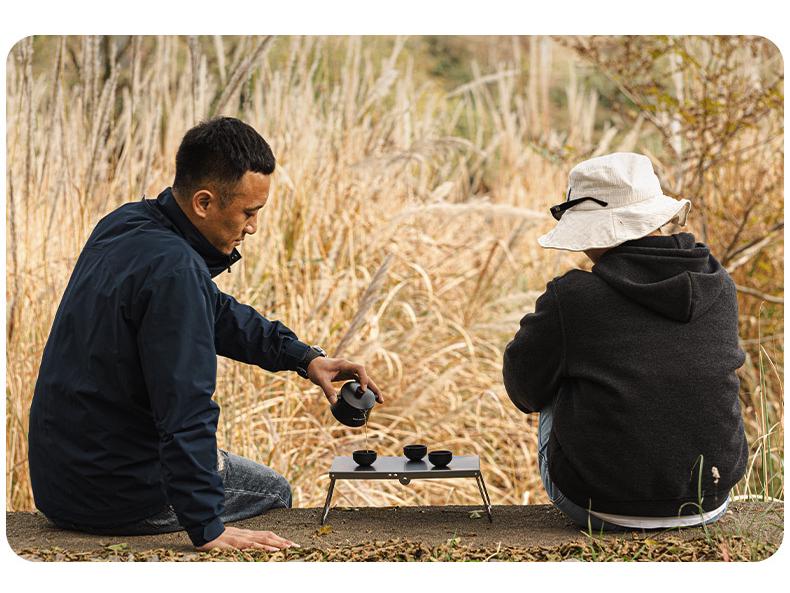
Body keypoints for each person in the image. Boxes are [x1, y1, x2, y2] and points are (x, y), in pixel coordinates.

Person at [28, 117, 383, 551]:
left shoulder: (126, 225)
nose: (252, 227)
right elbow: (185, 407)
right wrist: (206, 526)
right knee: (273, 491)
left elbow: (213, 311)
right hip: (116, 496)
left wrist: (304, 358)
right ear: (203, 203)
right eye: (248, 212)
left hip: (60, 483)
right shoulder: (175, 271)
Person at [502, 152, 748, 531]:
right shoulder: (721, 285)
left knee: (555, 374)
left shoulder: (573, 298)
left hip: (598, 503)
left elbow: (524, 392)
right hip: (710, 498)